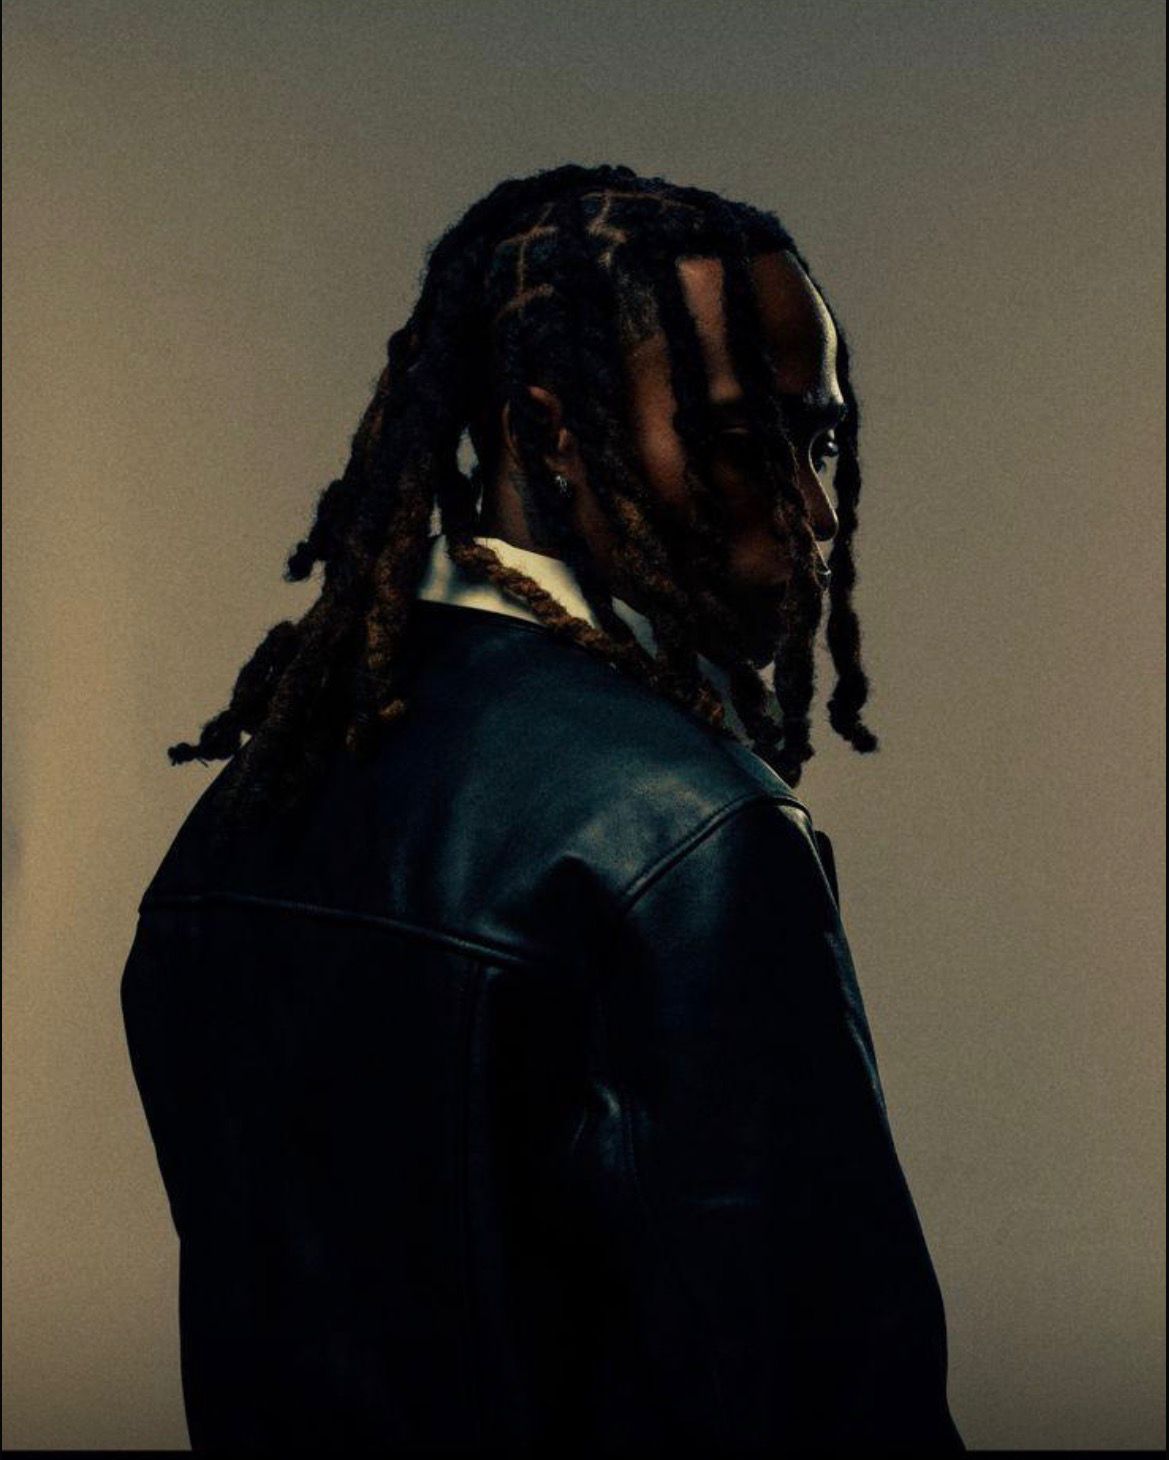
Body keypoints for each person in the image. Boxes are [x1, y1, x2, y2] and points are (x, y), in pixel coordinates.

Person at [120, 163, 966, 1453]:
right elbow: (835, 1401)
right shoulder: (691, 842)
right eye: (742, 440)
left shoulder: (235, 825)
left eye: (823, 442)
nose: (809, 514)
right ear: (548, 431)